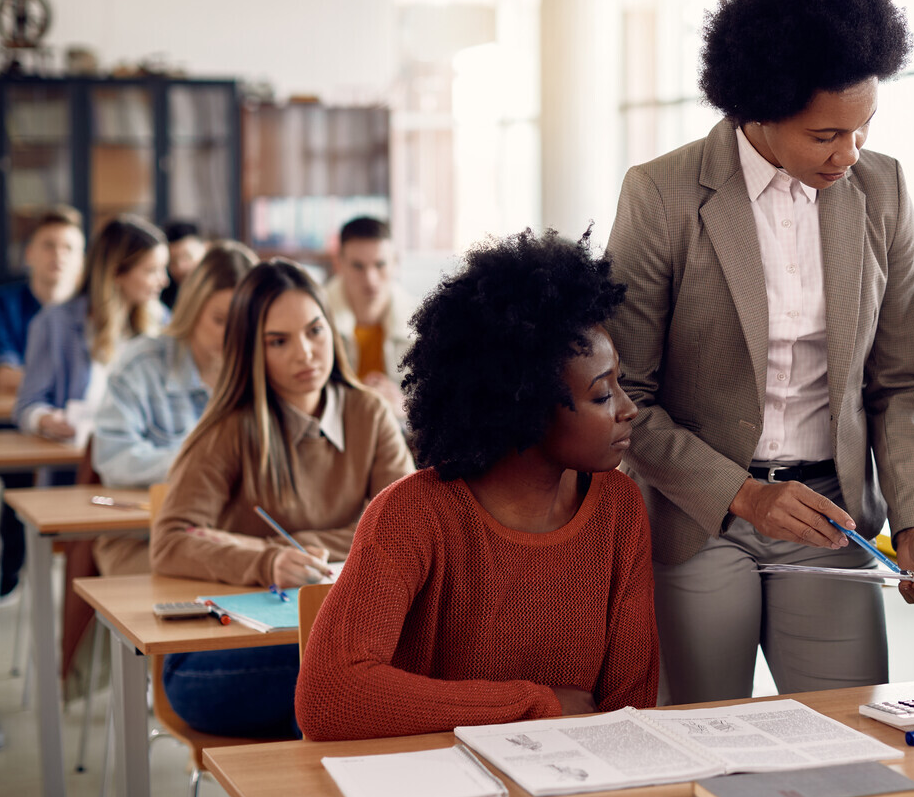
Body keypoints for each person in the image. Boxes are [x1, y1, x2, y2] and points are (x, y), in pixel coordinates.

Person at [605, 0, 914, 706]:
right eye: (825, 135)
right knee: (705, 737)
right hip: (701, 519)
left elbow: (897, 387)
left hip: (834, 518)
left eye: (862, 129)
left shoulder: (883, 190)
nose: (848, 154)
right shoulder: (662, 197)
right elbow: (625, 399)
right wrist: (743, 496)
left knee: (853, 734)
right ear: (756, 108)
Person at [296, 229, 657, 740]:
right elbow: (330, 696)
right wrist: (534, 703)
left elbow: (628, 712)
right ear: (525, 407)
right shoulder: (412, 514)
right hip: (437, 785)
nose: (628, 408)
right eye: (602, 396)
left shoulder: (619, 507)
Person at [150, 259, 414, 738]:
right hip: (217, 656)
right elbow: (170, 540)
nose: (306, 353)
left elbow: (409, 534)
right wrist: (268, 562)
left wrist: (313, 540)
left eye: (315, 331)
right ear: (252, 350)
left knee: (357, 669)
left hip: (338, 636)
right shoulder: (231, 428)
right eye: (279, 341)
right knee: (334, 676)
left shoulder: (370, 414)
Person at [0, 215, 166, 611]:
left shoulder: (160, 323)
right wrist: (47, 420)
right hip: (78, 476)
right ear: (117, 272)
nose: (162, 281)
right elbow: (27, 404)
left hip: (143, 475)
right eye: (151, 271)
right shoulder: (56, 323)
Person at [89, 240, 258, 573]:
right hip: (145, 537)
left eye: (245, 322)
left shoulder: (263, 369)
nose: (234, 336)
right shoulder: (142, 364)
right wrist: (204, 465)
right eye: (221, 320)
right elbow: (113, 457)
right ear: (193, 311)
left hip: (235, 536)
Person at [0, 206, 85, 395]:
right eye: (49, 245)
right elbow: (4, 375)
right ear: (29, 254)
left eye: (69, 248)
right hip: (12, 416)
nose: (58, 255)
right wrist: (67, 384)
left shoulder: (90, 308)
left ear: (82, 260)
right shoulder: (2, 302)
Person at [323, 216, 416, 415]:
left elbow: (441, 408)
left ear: (395, 263)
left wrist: (405, 406)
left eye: (380, 264)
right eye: (358, 266)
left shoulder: (423, 323)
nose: (370, 279)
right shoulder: (314, 319)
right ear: (338, 264)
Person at [160, 220, 206, 310]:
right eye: (172, 261)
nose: (180, 267)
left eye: (187, 257)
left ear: (205, 249)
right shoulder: (162, 294)